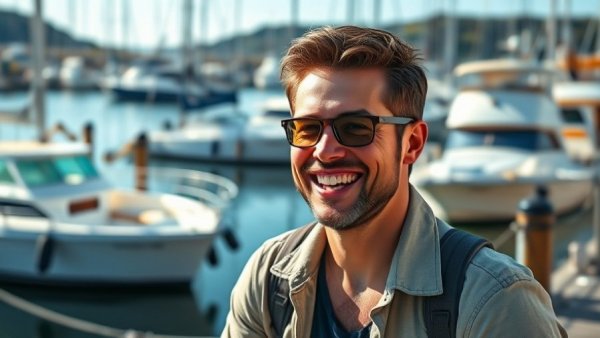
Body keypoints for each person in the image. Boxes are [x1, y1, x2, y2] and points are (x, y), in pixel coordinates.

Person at [222, 25, 566, 338]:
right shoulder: (268, 277)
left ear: (412, 144)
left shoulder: (493, 301)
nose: (325, 151)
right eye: (307, 129)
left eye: (356, 128)